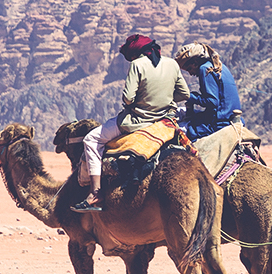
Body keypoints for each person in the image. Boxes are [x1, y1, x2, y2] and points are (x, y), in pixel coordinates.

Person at [73, 32, 190, 213]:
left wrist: (144, 100)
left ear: (135, 54)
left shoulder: (137, 65)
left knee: (91, 140)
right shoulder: (172, 64)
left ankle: (95, 193)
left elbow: (128, 99)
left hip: (138, 121)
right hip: (165, 120)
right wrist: (163, 99)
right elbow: (185, 94)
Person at [174, 42, 242, 139]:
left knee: (183, 130)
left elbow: (213, 102)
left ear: (195, 61)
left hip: (220, 121)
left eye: (189, 68)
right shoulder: (219, 66)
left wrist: (190, 97)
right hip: (229, 116)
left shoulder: (204, 69)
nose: (190, 73)